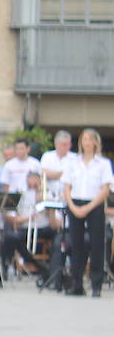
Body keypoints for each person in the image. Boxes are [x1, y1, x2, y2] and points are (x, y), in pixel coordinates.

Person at [62, 127, 112, 297]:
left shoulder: (103, 163)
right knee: (76, 244)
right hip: (75, 201)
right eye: (84, 139)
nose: (87, 143)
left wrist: (88, 207)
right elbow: (67, 187)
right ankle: (76, 283)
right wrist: (73, 206)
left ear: (96, 143)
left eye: (90, 139)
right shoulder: (73, 162)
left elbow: (105, 189)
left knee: (97, 244)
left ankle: (96, 283)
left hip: (95, 203)